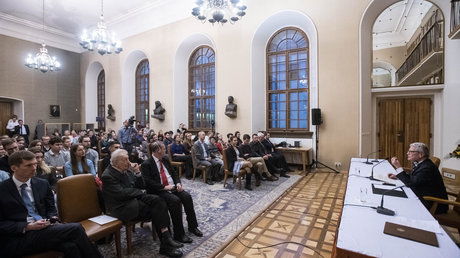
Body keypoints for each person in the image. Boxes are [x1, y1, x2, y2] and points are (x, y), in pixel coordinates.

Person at [0, 150, 102, 258]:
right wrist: (27, 226)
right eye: (29, 165)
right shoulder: (3, 190)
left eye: (35, 164)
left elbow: (51, 209)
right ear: (14, 168)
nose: (34, 168)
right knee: (75, 229)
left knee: (70, 246)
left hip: (43, 230)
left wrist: (52, 218)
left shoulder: (42, 184)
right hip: (17, 237)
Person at [101, 149, 183, 258]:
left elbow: (141, 186)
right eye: (126, 160)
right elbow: (121, 193)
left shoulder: (125, 169)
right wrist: (139, 192)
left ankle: (166, 239)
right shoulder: (108, 175)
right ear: (117, 162)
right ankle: (166, 243)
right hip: (122, 207)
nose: (129, 162)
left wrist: (137, 173)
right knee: (158, 209)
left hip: (133, 199)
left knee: (159, 200)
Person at [142, 141, 203, 244]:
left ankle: (193, 227)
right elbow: (148, 182)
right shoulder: (147, 164)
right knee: (175, 201)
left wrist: (178, 183)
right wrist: (164, 187)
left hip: (173, 187)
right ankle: (179, 234)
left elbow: (174, 173)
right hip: (160, 190)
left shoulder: (165, 159)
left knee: (187, 197)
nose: (166, 150)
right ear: (158, 151)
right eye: (164, 149)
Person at [387, 142, 448, 214]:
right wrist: (398, 176)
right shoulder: (421, 163)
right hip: (423, 197)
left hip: (433, 204)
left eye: (411, 151)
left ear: (421, 154)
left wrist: (398, 167)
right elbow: (415, 178)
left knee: (398, 205)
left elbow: (411, 183)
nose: (407, 153)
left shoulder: (427, 167)